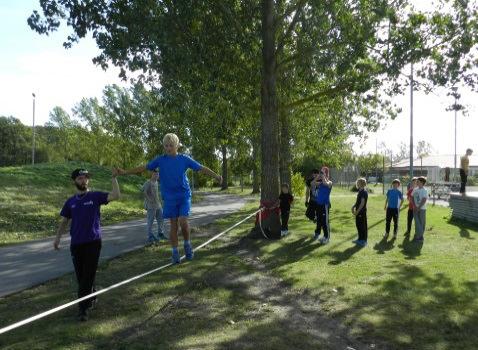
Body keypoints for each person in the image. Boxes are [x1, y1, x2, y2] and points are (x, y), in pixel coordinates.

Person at [116, 133, 222, 264]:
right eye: (166, 146)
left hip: (183, 195)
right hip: (169, 197)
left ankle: (187, 245)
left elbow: (201, 168)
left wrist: (216, 176)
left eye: (171, 145)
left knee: (183, 220)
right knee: (173, 225)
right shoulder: (160, 160)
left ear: (177, 146)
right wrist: (125, 172)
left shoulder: (184, 159)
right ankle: (175, 253)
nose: (168, 148)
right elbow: (144, 167)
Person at [54, 168, 120, 322]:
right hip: (76, 244)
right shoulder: (70, 202)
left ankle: (83, 309)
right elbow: (64, 221)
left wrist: (114, 179)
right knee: (81, 276)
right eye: (80, 178)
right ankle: (92, 294)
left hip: (93, 242)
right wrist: (57, 239)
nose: (83, 180)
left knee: (87, 276)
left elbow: (116, 195)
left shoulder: (95, 196)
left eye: (85, 178)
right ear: (74, 181)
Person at [142, 171, 166, 244]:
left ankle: (160, 233)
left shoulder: (156, 183)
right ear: (152, 175)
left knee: (161, 218)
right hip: (151, 206)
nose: (156, 176)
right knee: (150, 221)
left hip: (158, 204)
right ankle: (150, 236)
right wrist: (149, 199)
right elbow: (144, 192)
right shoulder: (148, 183)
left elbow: (156, 193)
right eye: (155, 174)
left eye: (157, 174)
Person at [310, 170, 333, 244]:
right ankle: (323, 236)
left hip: (324, 205)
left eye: (323, 174)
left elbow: (326, 183)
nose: (322, 176)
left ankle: (327, 237)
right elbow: (312, 183)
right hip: (319, 205)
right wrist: (317, 177)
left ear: (327, 175)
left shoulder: (329, 183)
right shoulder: (320, 184)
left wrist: (323, 176)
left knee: (325, 222)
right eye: (321, 174)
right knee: (319, 221)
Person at [352, 178, 368, 247]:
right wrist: (354, 206)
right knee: (358, 225)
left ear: (361, 184)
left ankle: (363, 241)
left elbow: (362, 203)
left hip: (361, 212)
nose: (357, 184)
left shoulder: (364, 192)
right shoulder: (360, 191)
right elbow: (358, 202)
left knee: (362, 226)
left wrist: (357, 211)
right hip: (358, 212)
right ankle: (359, 239)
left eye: (358, 183)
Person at [413, 176, 428, 242]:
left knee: (421, 222)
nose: (416, 182)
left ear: (422, 182)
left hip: (422, 209)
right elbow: (412, 198)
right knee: (417, 222)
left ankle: (420, 237)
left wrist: (418, 207)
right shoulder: (415, 189)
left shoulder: (424, 190)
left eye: (418, 181)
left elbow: (424, 199)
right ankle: (418, 235)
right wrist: (415, 206)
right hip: (415, 208)